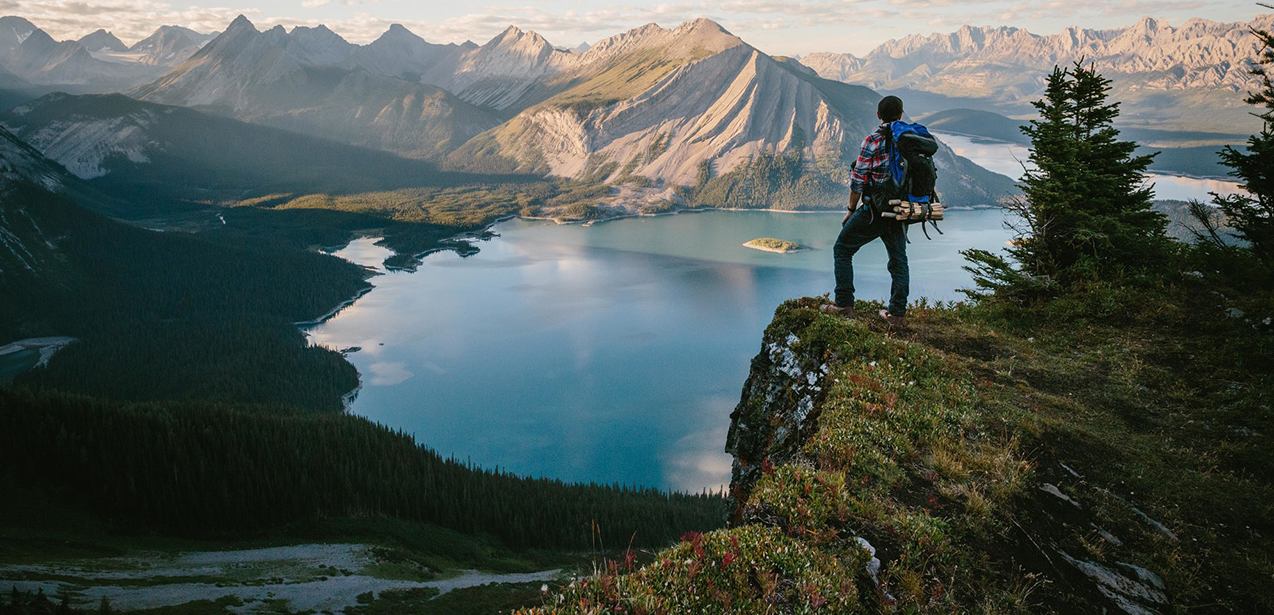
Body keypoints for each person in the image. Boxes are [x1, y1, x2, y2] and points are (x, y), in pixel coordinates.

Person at [824, 95, 908, 327]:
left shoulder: (872, 140)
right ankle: (897, 315)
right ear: (901, 114)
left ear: (878, 116)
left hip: (875, 209)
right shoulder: (910, 141)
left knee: (842, 249)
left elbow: (858, 182)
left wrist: (851, 210)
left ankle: (843, 304)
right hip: (901, 210)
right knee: (898, 260)